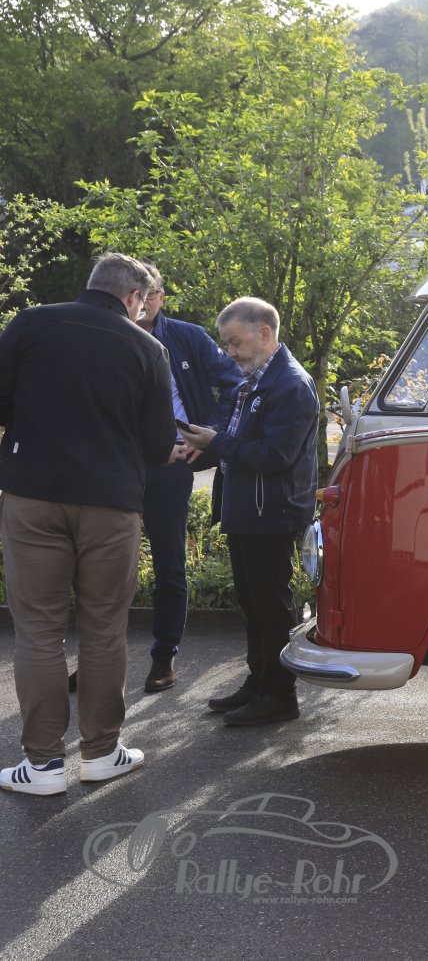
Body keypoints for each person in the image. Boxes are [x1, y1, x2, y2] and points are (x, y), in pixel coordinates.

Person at [0, 253, 175, 795]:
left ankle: (43, 765)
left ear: (92, 284)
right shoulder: (148, 349)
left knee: (38, 631)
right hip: (110, 503)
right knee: (104, 631)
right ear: (134, 297)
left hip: (32, 495)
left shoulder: (30, 323)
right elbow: (158, 445)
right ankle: (100, 754)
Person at [178, 297, 318, 726]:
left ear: (264, 333)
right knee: (253, 602)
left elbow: (275, 455)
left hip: (270, 513)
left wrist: (215, 442)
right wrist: (205, 444)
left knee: (270, 606)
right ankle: (258, 684)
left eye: (235, 342)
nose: (230, 353)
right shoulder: (255, 381)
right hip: (248, 510)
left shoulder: (290, 384)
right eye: (226, 344)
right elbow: (239, 442)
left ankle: (279, 696)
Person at [131, 264, 245, 692]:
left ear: (161, 296)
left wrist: (208, 434)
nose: (144, 301)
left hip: (172, 463)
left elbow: (235, 384)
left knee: (169, 564)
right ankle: (95, 659)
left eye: (152, 293)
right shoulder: (108, 337)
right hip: (117, 466)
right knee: (101, 567)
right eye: (138, 293)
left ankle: (164, 656)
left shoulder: (187, 336)